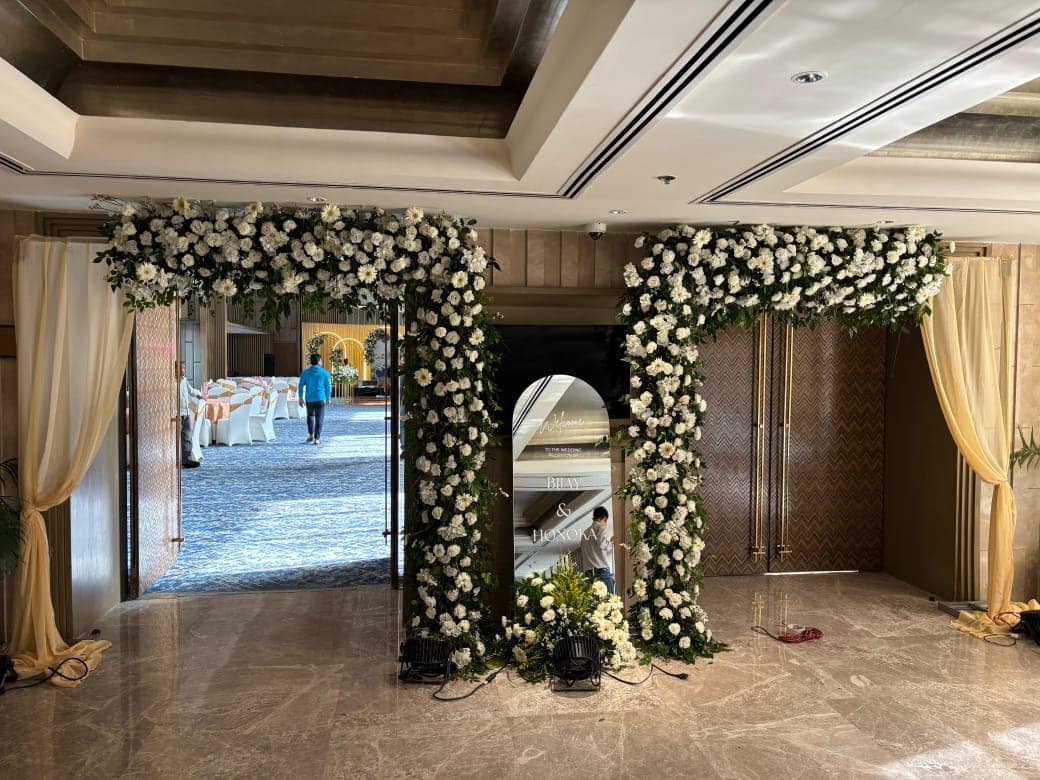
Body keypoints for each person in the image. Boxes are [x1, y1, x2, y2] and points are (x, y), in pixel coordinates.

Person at [579, 506, 614, 594]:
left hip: (589, 574)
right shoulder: (601, 527)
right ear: (604, 518)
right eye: (605, 520)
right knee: (610, 600)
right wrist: (611, 544)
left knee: (595, 601)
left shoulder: (585, 533)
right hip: (601, 572)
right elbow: (602, 544)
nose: (606, 523)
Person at [298, 353, 332, 444]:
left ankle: (311, 435)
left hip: (309, 399)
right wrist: (328, 397)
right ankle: (317, 439)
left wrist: (300, 397)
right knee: (319, 418)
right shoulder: (325, 373)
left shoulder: (305, 372)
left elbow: (300, 385)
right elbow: (328, 386)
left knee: (310, 417)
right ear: (319, 361)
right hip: (320, 398)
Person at [178, 361, 202, 468]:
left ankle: (186, 459)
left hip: (186, 412)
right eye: (182, 368)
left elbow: (191, 391)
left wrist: (199, 395)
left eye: (184, 368)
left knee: (187, 436)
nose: (184, 370)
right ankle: (175, 459)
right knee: (176, 437)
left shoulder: (184, 380)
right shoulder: (172, 382)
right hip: (177, 413)